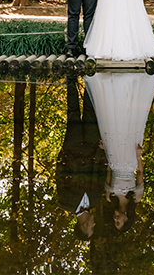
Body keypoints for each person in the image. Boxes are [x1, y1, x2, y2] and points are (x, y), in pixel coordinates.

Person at [83, 72, 154, 231]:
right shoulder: (136, 197)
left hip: (114, 155)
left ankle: (114, 88)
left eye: (114, 221)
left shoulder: (109, 196)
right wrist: (139, 156)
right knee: (129, 123)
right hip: (131, 158)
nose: (115, 219)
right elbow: (139, 174)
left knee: (114, 121)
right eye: (118, 222)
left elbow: (109, 169)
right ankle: (129, 88)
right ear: (127, 218)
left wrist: (106, 149)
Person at [55, 76, 107, 241]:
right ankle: (89, 78)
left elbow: (60, 177)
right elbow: (101, 173)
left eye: (92, 227)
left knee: (73, 113)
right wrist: (101, 152)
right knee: (91, 112)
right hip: (92, 148)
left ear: (83, 226)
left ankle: (70, 78)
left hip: (73, 150)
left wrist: (63, 155)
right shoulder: (96, 199)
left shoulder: (65, 203)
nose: (94, 223)